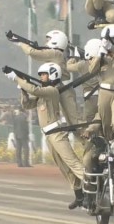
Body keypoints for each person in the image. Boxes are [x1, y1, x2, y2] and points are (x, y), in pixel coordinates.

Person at [5, 62, 86, 209]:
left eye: (44, 74)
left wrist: (17, 78)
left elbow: (35, 90)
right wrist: (22, 89)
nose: (41, 77)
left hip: (56, 133)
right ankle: (79, 194)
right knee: (64, 167)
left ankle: (92, 184)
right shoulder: (43, 93)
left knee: (72, 162)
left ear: (53, 74)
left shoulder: (52, 90)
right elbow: (27, 105)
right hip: (49, 135)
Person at [10, 30, 82, 128]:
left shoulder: (55, 53)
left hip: (64, 89)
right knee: (72, 123)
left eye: (48, 40)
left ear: (56, 41)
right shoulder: (57, 54)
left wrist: (20, 43)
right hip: (58, 88)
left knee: (75, 122)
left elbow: (32, 52)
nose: (45, 43)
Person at [88, 25, 114, 140]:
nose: (112, 42)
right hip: (104, 93)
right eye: (109, 40)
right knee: (105, 126)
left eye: (113, 39)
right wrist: (100, 55)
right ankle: (109, 148)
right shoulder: (100, 54)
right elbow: (91, 70)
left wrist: (111, 47)